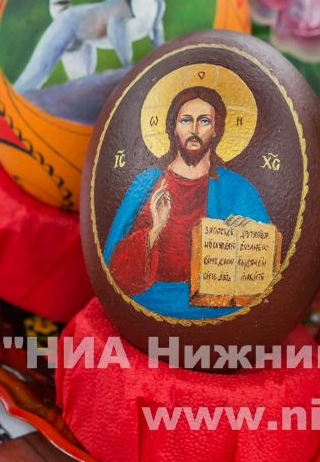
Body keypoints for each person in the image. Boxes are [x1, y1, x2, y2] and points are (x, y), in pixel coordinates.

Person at [103, 86, 269, 317]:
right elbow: (114, 270)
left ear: (216, 129)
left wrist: (247, 237)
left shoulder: (238, 189)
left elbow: (262, 272)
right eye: (186, 120)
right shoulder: (148, 183)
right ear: (173, 127)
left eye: (204, 121)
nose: (194, 129)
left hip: (216, 312)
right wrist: (154, 231)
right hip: (145, 304)